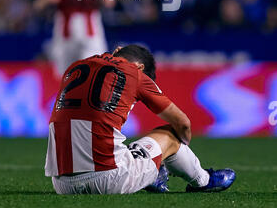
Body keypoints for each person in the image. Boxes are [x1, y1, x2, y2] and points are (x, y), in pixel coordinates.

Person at [45, 44, 236, 194]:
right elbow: (183, 123)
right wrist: (177, 147)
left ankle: (153, 174)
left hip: (61, 183)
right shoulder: (134, 74)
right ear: (140, 67)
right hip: (108, 180)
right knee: (170, 134)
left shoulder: (74, 67)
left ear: (117, 51)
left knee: (119, 147)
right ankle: (203, 181)